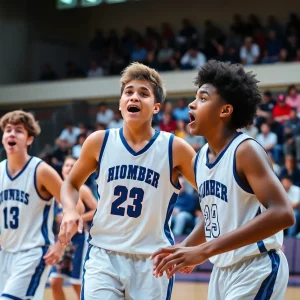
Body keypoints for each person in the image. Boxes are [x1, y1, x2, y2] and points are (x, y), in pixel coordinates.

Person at [151, 60, 295, 299]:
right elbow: (212, 217)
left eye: (203, 98)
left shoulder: (245, 151)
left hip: (255, 267)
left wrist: (204, 250)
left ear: (225, 110)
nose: (192, 103)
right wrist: (185, 247)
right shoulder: (199, 160)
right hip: (222, 270)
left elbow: (283, 213)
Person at [58, 62, 196, 300]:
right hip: (104, 254)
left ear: (156, 107)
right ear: (121, 103)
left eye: (143, 93)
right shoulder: (98, 142)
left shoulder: (175, 148)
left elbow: (213, 194)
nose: (134, 97)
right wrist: (70, 210)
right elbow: (70, 184)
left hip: (153, 259)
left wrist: (194, 244)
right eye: (128, 92)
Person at [0, 110, 65, 300]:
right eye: (8, 130)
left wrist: (61, 245)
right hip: (5, 251)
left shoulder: (41, 171)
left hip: (33, 253)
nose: (11, 134)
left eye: (18, 130)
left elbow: (73, 205)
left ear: (29, 139)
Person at [50, 156, 97, 300]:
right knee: (55, 281)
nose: (69, 168)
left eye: (72, 165)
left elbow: (97, 210)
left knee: (77, 284)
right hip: (62, 240)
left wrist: (78, 218)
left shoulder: (82, 189)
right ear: (62, 169)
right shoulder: (55, 189)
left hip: (79, 240)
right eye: (66, 165)